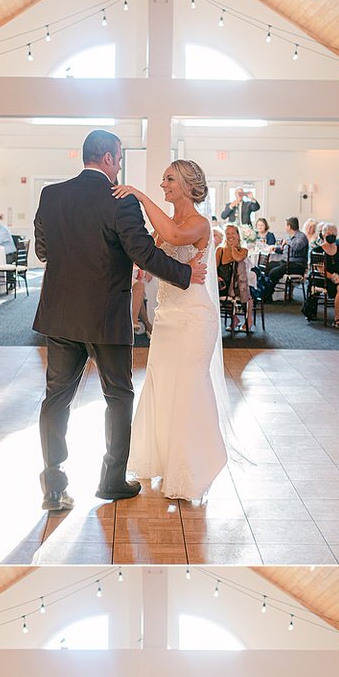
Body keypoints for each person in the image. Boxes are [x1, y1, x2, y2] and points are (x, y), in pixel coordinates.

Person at [34, 131, 204, 512]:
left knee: (56, 398)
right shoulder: (119, 201)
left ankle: (53, 484)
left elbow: (43, 250)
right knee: (118, 396)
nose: (120, 166)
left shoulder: (51, 195)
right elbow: (142, 253)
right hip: (107, 315)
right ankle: (111, 479)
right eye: (120, 158)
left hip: (60, 315)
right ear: (110, 158)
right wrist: (183, 273)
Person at [113, 160, 232, 502]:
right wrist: (146, 270)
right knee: (163, 386)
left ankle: (191, 470)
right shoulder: (168, 223)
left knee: (187, 388)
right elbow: (152, 252)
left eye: (168, 179)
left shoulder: (196, 223)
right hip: (166, 317)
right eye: (162, 179)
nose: (163, 184)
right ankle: (164, 460)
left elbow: (173, 237)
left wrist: (137, 195)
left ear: (185, 185)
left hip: (194, 317)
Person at [311, 223, 339, 327]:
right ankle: (337, 317)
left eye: (333, 233)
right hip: (324, 279)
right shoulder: (317, 250)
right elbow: (321, 271)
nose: (331, 235)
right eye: (328, 233)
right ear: (323, 234)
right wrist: (338, 279)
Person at [215, 223, 255, 334]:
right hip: (222, 284)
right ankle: (234, 319)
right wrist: (217, 277)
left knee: (243, 292)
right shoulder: (220, 250)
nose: (230, 236)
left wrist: (233, 247)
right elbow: (213, 268)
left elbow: (237, 258)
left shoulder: (243, 250)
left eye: (233, 233)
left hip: (237, 285)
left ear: (238, 235)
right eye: (227, 233)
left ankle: (247, 320)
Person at [259, 216, 310, 300]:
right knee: (268, 266)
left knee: (273, 273)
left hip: (297, 265)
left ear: (289, 226)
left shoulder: (301, 237)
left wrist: (287, 242)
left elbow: (296, 247)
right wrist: (276, 249)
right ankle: (264, 292)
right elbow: (285, 250)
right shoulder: (290, 237)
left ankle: (268, 295)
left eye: (286, 226)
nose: (285, 228)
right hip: (286, 262)